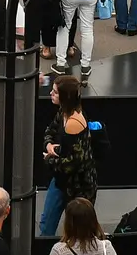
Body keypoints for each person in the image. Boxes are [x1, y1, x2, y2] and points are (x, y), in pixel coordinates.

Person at [39, 75, 98, 238]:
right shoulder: (63, 112)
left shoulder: (75, 122)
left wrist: (49, 159)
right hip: (61, 181)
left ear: (65, 96)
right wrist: (49, 145)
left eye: (55, 92)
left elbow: (74, 163)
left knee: (78, 231)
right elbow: (50, 130)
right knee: (46, 224)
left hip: (79, 187)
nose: (51, 93)